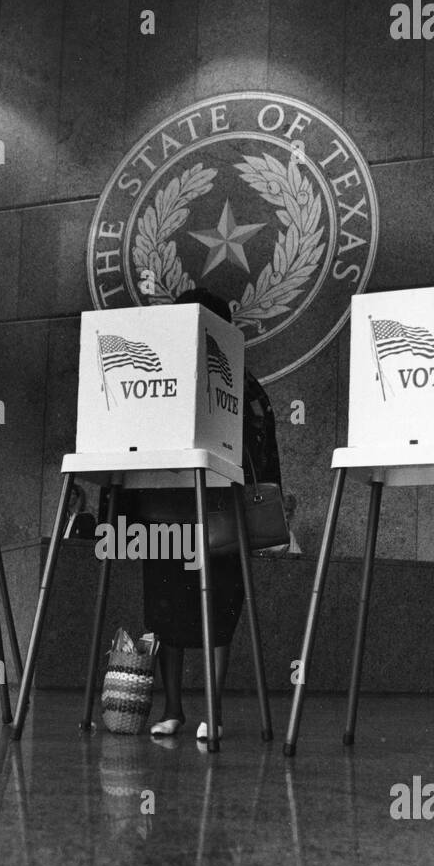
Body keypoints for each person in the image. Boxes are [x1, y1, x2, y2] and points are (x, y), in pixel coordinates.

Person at [137, 288, 281, 739]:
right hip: (185, 508)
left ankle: (202, 712)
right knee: (171, 612)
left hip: (202, 509)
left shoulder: (240, 382)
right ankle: (181, 710)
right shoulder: (242, 382)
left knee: (208, 610)